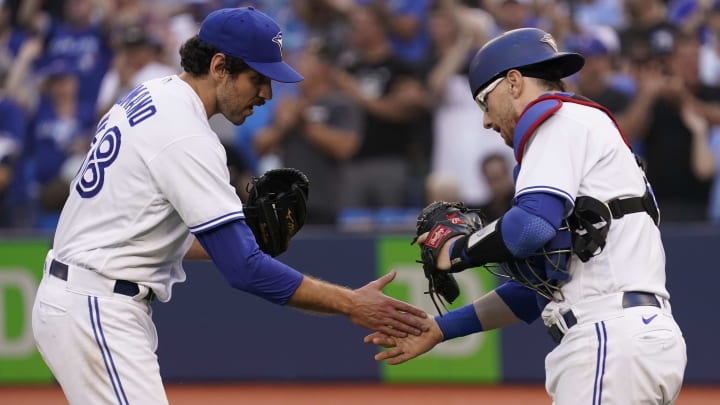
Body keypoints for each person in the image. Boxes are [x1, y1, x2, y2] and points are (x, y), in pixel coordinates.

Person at [31, 7, 428, 405]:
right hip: (96, 305)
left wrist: (238, 237)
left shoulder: (152, 93)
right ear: (220, 66)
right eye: (258, 78)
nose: (267, 94)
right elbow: (244, 270)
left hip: (84, 295)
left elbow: (148, 230)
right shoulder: (186, 134)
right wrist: (351, 303)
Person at [365, 28, 687, 404]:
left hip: (608, 339)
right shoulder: (580, 129)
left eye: (484, 102)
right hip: (632, 338)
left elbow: (528, 228)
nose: (486, 121)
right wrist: (440, 328)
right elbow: (533, 292)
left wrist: (455, 249)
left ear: (514, 83)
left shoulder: (554, 119)